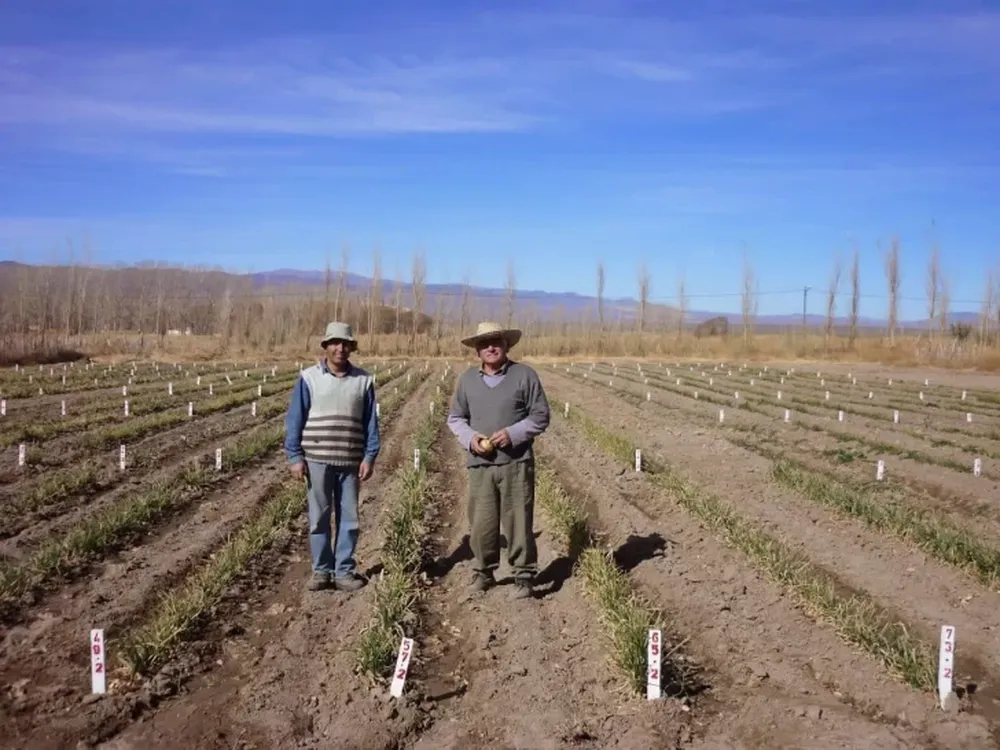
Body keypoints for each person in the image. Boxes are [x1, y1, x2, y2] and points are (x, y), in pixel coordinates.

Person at [447, 321, 551, 599]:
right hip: (480, 465)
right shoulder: (467, 380)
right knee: (481, 522)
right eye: (484, 343)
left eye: (496, 342)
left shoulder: (524, 375)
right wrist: (471, 439)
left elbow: (541, 416)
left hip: (516, 463)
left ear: (506, 345)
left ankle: (524, 576)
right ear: (477, 350)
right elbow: (456, 418)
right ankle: (484, 572)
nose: (490, 347)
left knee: (518, 520)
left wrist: (513, 434)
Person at [285, 321, 379, 592]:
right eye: (335, 343)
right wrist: (295, 457)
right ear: (326, 347)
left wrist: (370, 456)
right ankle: (321, 571)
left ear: (351, 347)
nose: (340, 348)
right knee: (319, 518)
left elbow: (371, 422)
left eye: (346, 343)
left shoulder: (363, 381)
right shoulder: (309, 378)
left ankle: (344, 571)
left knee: (349, 519)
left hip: (350, 461)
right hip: (317, 459)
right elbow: (294, 419)